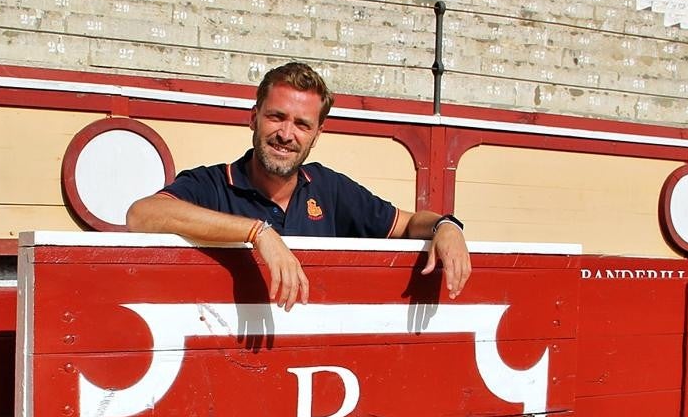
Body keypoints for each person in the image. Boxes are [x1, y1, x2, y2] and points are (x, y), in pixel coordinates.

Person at [125, 62, 470, 311]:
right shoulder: (215, 182)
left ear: (316, 135)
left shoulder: (330, 189)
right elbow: (142, 215)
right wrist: (258, 233)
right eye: (276, 117)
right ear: (254, 117)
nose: (286, 134)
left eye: (302, 124)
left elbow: (408, 224)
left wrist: (446, 225)